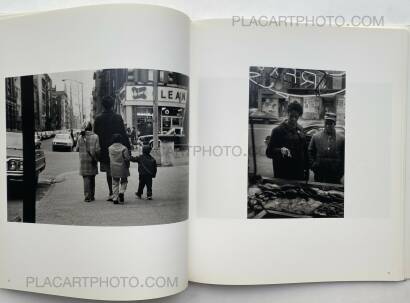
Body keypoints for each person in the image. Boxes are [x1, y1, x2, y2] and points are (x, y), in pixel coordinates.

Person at [93, 96, 131, 201]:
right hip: (118, 148)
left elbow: (95, 135)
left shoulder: (98, 118)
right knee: (119, 169)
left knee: (109, 172)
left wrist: (96, 152)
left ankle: (112, 193)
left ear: (103, 105)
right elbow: (123, 134)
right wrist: (128, 148)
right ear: (113, 105)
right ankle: (119, 192)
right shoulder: (118, 117)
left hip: (105, 150)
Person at [265, 101, 308, 181]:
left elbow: (304, 151)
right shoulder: (277, 130)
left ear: (299, 116)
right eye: (291, 116)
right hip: (283, 172)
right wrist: (280, 150)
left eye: (296, 117)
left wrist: (306, 170)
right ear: (287, 113)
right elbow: (269, 152)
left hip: (298, 172)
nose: (293, 119)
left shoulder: (301, 129)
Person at [308, 112, 344, 184]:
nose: (328, 125)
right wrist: (314, 165)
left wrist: (341, 170)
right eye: (326, 123)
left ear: (335, 124)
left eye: (331, 123)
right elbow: (310, 152)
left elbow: (344, 156)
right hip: (319, 172)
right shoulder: (316, 137)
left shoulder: (341, 138)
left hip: (335, 174)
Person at [76, 121, 100, 202]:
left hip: (83, 160)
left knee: (86, 178)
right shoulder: (96, 136)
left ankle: (87, 196)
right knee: (92, 177)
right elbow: (97, 150)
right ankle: (92, 195)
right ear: (91, 128)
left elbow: (77, 149)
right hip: (92, 159)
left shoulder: (80, 137)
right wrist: (97, 157)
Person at [108, 133, 130, 204]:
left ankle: (115, 198)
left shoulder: (110, 148)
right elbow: (127, 158)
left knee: (115, 183)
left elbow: (109, 158)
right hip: (123, 167)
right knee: (124, 181)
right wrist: (128, 165)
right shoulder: (124, 148)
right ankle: (121, 192)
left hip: (113, 167)